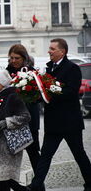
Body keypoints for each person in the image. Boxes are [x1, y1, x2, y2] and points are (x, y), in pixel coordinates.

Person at [27, 38, 91, 191]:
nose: (49, 51)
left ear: (62, 52)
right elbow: (43, 92)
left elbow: (71, 92)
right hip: (53, 122)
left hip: (70, 122)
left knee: (79, 154)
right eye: (49, 48)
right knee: (46, 155)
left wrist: (50, 93)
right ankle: (36, 186)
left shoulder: (72, 68)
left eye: (52, 49)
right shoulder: (48, 69)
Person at [6, 44, 42, 177]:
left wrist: (27, 95)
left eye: (17, 58)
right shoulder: (7, 72)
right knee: (8, 153)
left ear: (24, 58)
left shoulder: (31, 73)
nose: (13, 61)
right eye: (11, 58)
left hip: (29, 119)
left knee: (33, 153)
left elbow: (39, 98)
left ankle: (39, 184)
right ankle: (5, 184)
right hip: (11, 119)